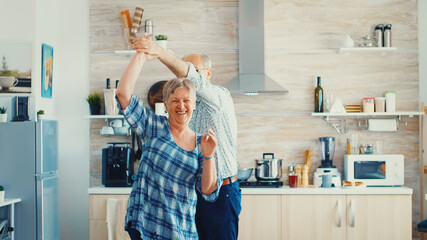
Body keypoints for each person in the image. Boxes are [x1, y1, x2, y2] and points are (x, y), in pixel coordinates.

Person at [133, 38, 241, 240]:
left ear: (208, 73)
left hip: (221, 194)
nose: (188, 80)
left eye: (194, 71)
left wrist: (158, 51)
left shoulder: (219, 97)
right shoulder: (182, 110)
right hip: (191, 196)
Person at [116, 51, 222, 240]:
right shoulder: (154, 127)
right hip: (146, 223)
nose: (181, 106)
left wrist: (209, 156)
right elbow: (123, 95)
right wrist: (141, 56)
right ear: (166, 104)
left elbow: (208, 190)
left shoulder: (202, 143)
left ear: (194, 104)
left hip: (180, 229)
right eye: (175, 101)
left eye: (186, 100)